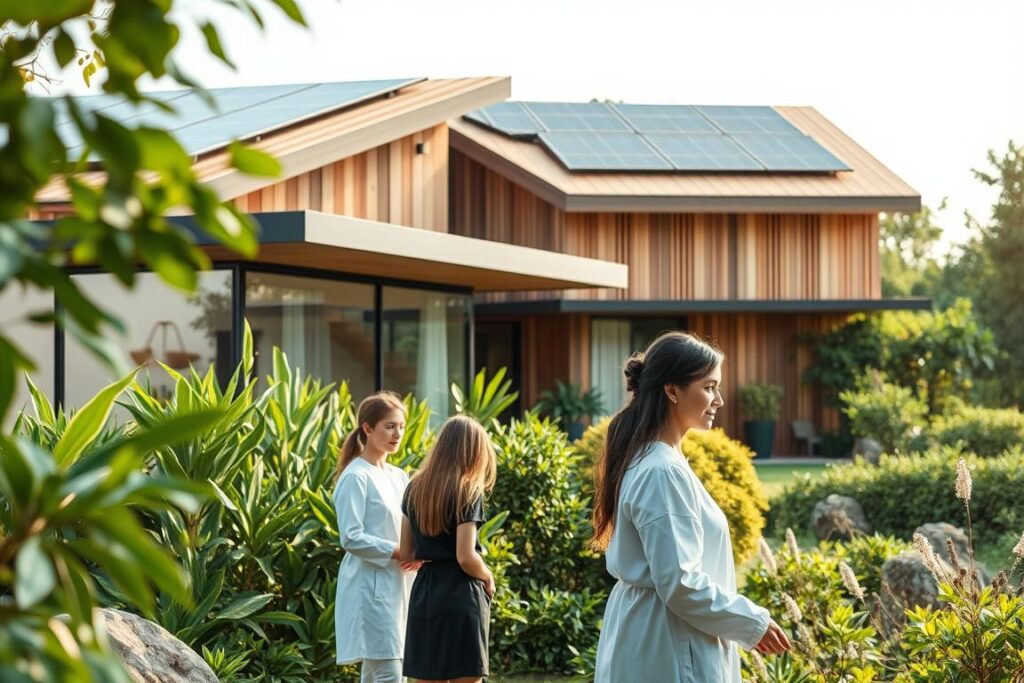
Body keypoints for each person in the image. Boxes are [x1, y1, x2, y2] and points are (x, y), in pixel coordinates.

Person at [592, 331, 791, 682]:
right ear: (672, 391)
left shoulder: (658, 461)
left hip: (658, 635)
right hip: (667, 643)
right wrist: (753, 623)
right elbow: (680, 582)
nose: (719, 400)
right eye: (709, 387)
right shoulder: (661, 471)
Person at [400, 415, 497, 683]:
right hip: (461, 593)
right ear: (474, 452)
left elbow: (406, 554)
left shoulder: (413, 489)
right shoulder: (468, 491)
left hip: (425, 593)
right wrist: (487, 575)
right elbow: (465, 556)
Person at [333, 391, 421, 683]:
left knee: (382, 672)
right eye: (389, 426)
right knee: (390, 673)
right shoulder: (355, 476)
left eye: (401, 426)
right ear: (367, 428)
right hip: (369, 589)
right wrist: (400, 552)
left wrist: (418, 551)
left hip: (400, 587)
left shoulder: (398, 476)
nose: (397, 433)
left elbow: (410, 525)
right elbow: (351, 537)